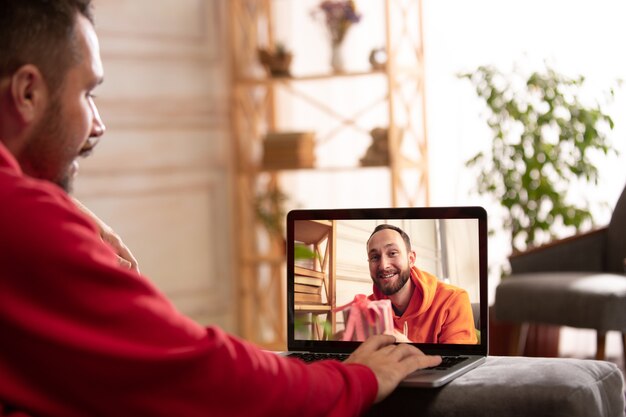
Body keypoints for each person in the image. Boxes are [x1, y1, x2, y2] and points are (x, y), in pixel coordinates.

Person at [0, 1, 442, 416]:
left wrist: (55, 206)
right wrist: (357, 378)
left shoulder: (446, 304)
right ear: (27, 93)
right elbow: (197, 375)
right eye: (88, 93)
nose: (98, 125)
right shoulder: (22, 225)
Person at [366, 224, 478, 344]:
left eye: (393, 253)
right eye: (374, 257)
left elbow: (458, 360)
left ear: (411, 259)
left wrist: (406, 347)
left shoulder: (454, 299)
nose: (383, 265)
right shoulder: (367, 308)